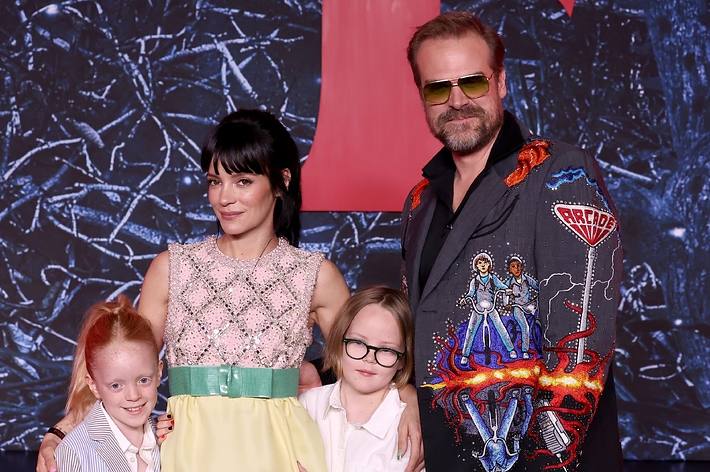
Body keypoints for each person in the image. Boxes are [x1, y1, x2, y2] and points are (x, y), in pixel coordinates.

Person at [38, 109, 423, 472]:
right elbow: (122, 368)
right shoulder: (171, 268)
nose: (224, 197)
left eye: (243, 181)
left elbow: (372, 359)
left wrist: (410, 403)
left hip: (282, 452)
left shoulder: (315, 275)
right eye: (215, 181)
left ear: (281, 182)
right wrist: (61, 431)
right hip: (189, 450)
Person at [400, 11, 623, 472]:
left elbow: (581, 349)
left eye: (473, 83)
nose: (457, 101)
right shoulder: (420, 199)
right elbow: (421, 329)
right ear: (422, 97)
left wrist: (543, 459)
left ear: (501, 82)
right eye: (439, 88)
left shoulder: (562, 174)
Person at [298, 285, 415, 472]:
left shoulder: (407, 427)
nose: (369, 358)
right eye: (359, 343)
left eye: (386, 350)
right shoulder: (307, 405)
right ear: (340, 341)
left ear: (403, 359)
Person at [54, 295, 162, 472]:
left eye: (143, 380)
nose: (133, 395)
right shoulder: (73, 452)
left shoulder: (169, 439)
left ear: (158, 373)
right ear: (93, 385)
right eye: (116, 385)